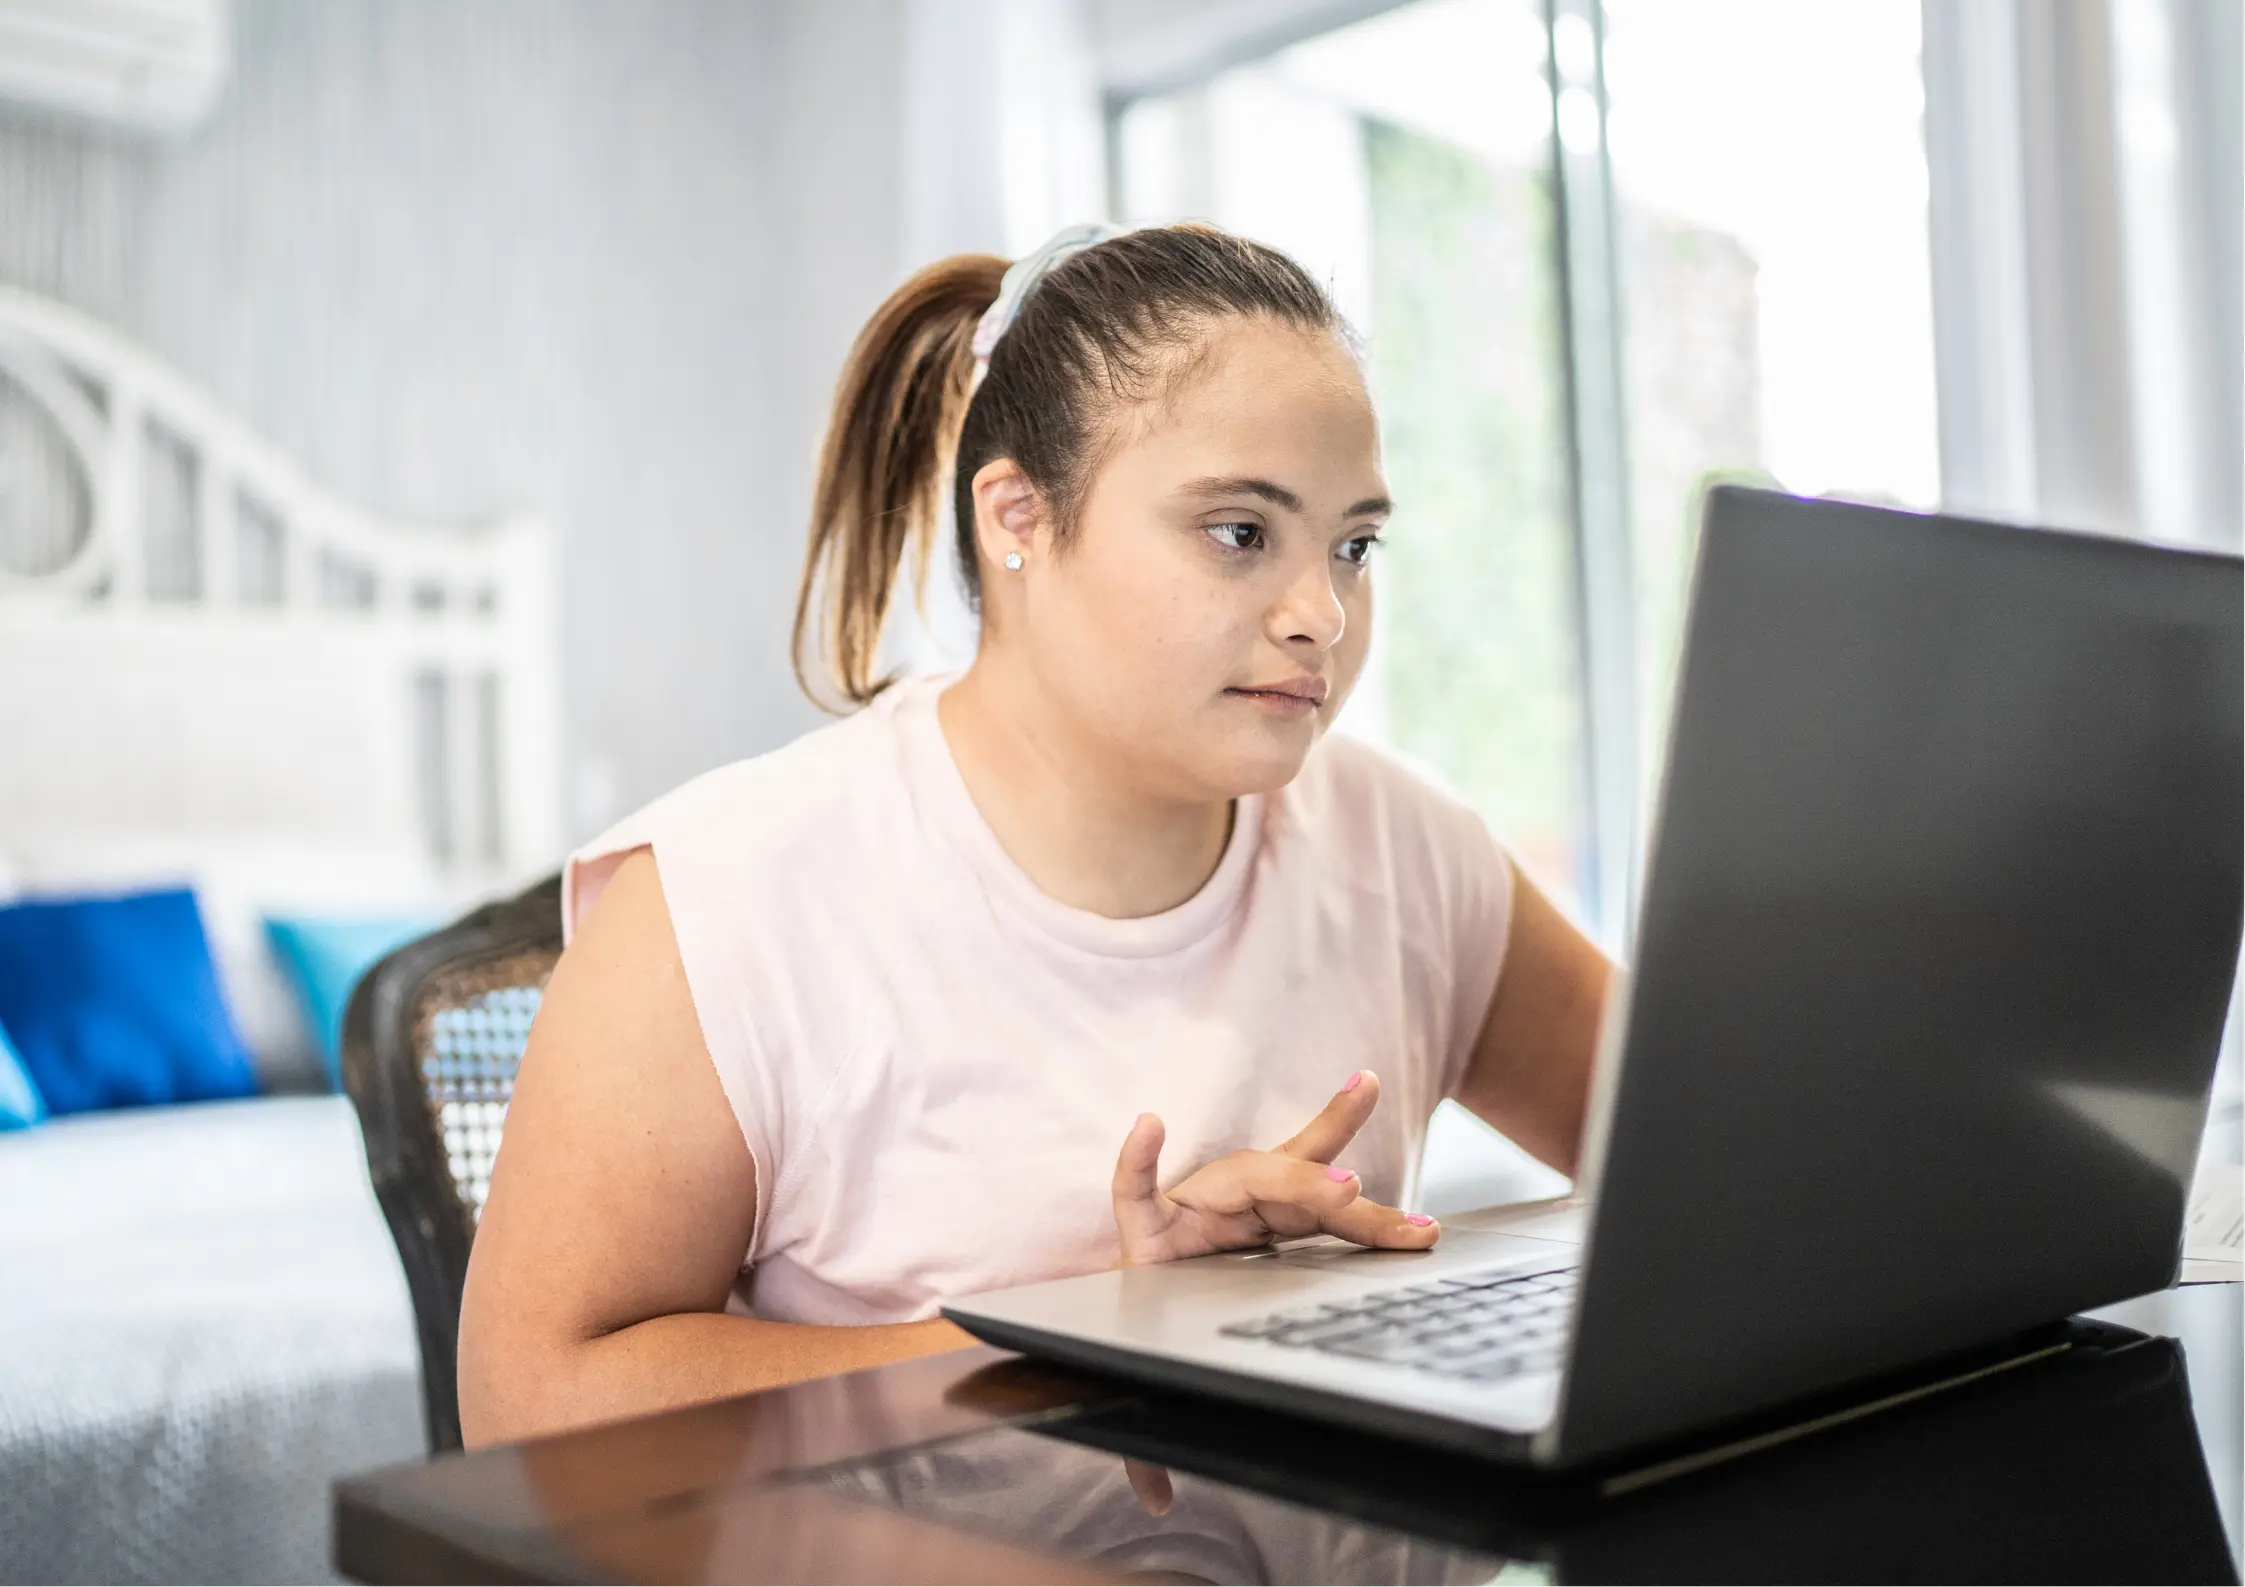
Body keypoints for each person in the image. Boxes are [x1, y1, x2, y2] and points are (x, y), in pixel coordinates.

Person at [456, 223, 1613, 1448]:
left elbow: (1721, 1162)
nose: (1321, 613)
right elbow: (527, 1406)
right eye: (1238, 533)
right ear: (1017, 516)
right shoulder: (726, 898)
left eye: (1354, 545)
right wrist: (1106, 1340)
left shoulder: (1406, 850)